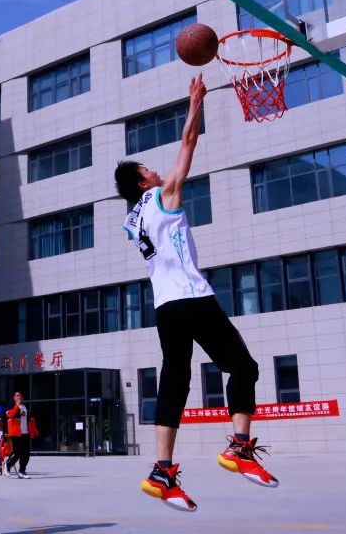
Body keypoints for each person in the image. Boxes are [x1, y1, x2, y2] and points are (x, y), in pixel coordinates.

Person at [114, 73, 278, 513]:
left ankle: (162, 470)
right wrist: (195, 102)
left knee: (175, 380)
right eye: (148, 170)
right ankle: (239, 448)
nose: (156, 170)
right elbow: (188, 142)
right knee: (243, 366)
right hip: (192, 297)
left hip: (165, 307)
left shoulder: (131, 221)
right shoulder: (162, 195)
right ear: (142, 182)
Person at [4, 393, 34, 479]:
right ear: (14, 397)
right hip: (15, 433)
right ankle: (7, 465)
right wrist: (17, 406)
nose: (19, 397)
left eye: (20, 395)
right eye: (17, 395)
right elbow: (10, 415)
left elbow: (29, 419)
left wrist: (32, 430)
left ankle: (22, 471)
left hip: (25, 433)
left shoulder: (24, 406)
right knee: (17, 452)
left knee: (26, 453)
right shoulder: (11, 405)